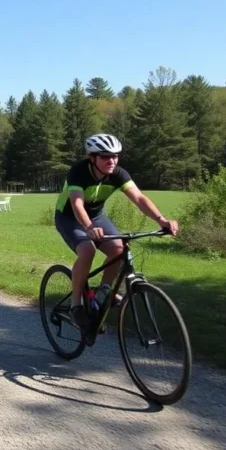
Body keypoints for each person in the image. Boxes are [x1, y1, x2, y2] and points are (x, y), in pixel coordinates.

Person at [53, 133, 179, 344]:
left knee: (119, 250)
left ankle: (103, 293)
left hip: (97, 217)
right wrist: (90, 227)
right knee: (87, 250)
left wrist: (162, 220)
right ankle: (76, 305)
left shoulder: (118, 174)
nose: (111, 161)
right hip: (69, 218)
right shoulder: (78, 172)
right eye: (105, 157)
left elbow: (139, 198)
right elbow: (77, 205)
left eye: (115, 156)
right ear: (92, 158)